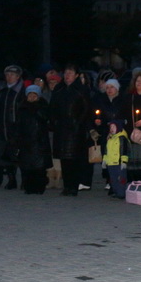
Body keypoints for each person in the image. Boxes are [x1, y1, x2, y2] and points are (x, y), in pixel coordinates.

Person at [50, 64, 91, 196]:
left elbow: (86, 109)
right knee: (64, 159)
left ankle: (74, 186)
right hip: (61, 128)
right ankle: (67, 185)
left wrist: (78, 124)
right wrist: (54, 121)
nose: (67, 76)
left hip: (75, 129)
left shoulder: (81, 90)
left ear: (77, 75)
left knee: (75, 159)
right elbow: (53, 107)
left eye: (70, 73)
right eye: (66, 73)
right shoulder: (59, 89)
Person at [0, 65, 26, 189]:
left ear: (18, 76)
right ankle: (11, 180)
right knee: (6, 156)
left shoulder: (22, 91)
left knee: (20, 156)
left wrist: (18, 124)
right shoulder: (3, 91)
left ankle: (25, 180)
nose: (9, 77)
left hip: (17, 130)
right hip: (3, 129)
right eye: (7, 75)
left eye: (12, 75)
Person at [15, 84, 53, 195]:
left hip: (39, 142)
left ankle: (39, 187)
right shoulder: (22, 108)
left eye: (34, 95)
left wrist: (36, 110)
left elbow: (46, 120)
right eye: (29, 95)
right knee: (27, 167)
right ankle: (28, 187)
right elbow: (18, 125)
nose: (31, 97)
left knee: (39, 168)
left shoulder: (43, 107)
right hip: (26, 142)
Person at [101, 119, 130, 199]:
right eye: (110, 127)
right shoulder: (110, 138)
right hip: (110, 163)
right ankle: (116, 191)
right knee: (113, 179)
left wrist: (124, 161)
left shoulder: (122, 138)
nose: (111, 129)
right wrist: (104, 160)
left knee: (121, 179)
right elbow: (106, 150)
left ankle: (121, 193)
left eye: (114, 127)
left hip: (119, 162)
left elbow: (124, 150)